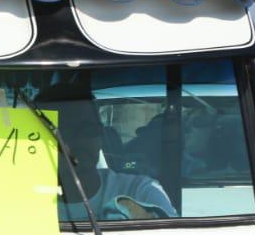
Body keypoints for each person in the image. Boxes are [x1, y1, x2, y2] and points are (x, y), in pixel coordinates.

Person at [36, 87, 176, 221]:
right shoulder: (27, 200)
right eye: (64, 131)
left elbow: (173, 234)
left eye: (89, 130)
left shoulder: (139, 192)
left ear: (101, 136)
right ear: (37, 138)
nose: (80, 140)